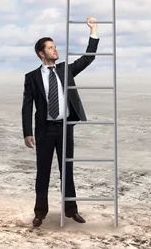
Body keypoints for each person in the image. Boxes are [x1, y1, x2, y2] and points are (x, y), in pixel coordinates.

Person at [21, 17, 99, 227]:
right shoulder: (32, 77)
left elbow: (88, 58)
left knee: (67, 171)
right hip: (44, 131)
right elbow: (27, 106)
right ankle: (40, 213)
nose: (55, 50)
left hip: (65, 128)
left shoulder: (65, 70)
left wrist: (94, 31)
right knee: (43, 173)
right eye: (51, 48)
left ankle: (71, 210)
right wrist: (27, 132)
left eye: (55, 47)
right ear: (41, 53)